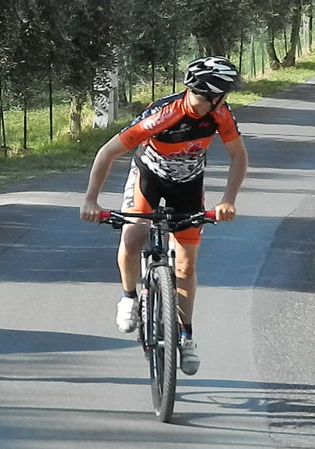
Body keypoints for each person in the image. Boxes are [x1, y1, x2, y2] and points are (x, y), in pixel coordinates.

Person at [80, 56, 248, 375]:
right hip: (149, 179)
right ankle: (129, 296)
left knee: (186, 263)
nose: (226, 99)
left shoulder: (221, 116)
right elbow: (108, 151)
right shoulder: (164, 115)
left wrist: (229, 200)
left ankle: (185, 338)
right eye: (225, 93)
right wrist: (90, 200)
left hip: (188, 186)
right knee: (133, 237)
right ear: (212, 94)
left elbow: (239, 156)